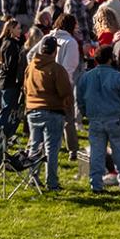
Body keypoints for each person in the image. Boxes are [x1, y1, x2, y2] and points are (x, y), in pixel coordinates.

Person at [77, 44, 120, 193]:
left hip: (95, 120)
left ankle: (96, 184)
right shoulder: (118, 77)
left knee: (97, 153)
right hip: (116, 119)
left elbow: (79, 100)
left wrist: (87, 113)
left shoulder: (86, 77)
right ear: (111, 59)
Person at [24, 34, 75, 191]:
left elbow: (25, 88)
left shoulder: (31, 66)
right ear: (54, 52)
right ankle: (52, 182)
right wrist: (68, 109)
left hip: (32, 110)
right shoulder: (56, 69)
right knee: (51, 149)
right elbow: (65, 92)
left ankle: (32, 178)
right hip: (52, 111)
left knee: (34, 146)